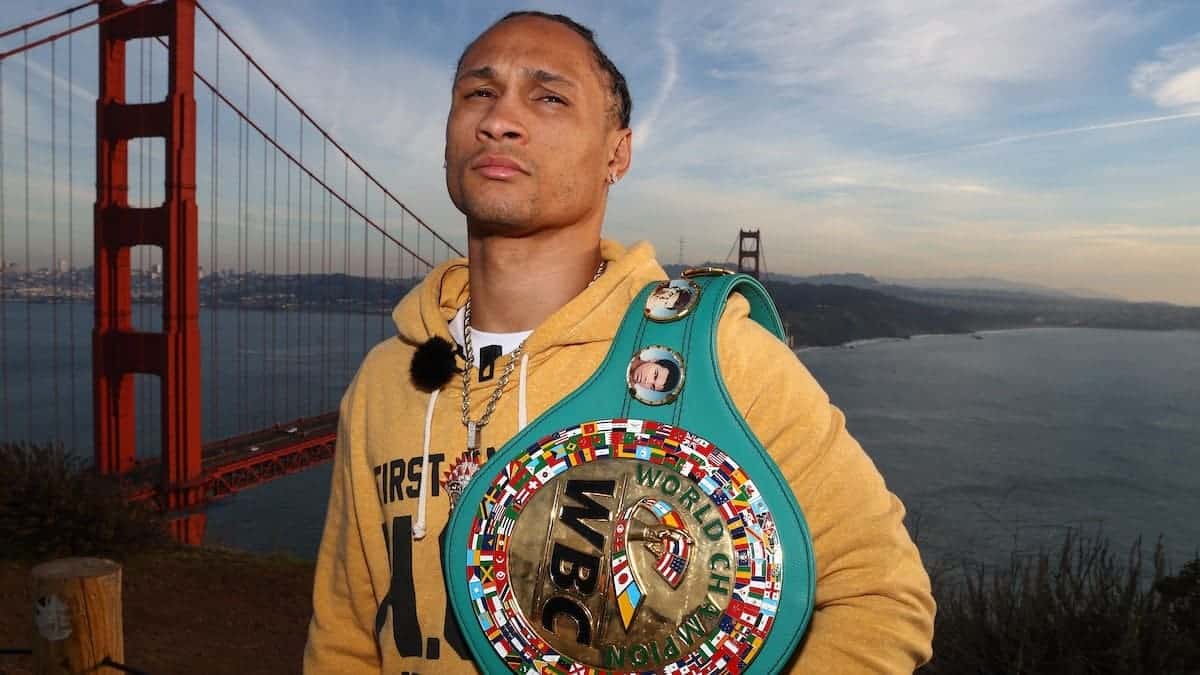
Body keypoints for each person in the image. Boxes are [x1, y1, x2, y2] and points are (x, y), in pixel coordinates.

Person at [303, 10, 934, 674]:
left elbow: (881, 592)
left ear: (617, 154)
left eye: (548, 96)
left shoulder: (716, 356)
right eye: (477, 93)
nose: (499, 119)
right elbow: (344, 630)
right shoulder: (384, 379)